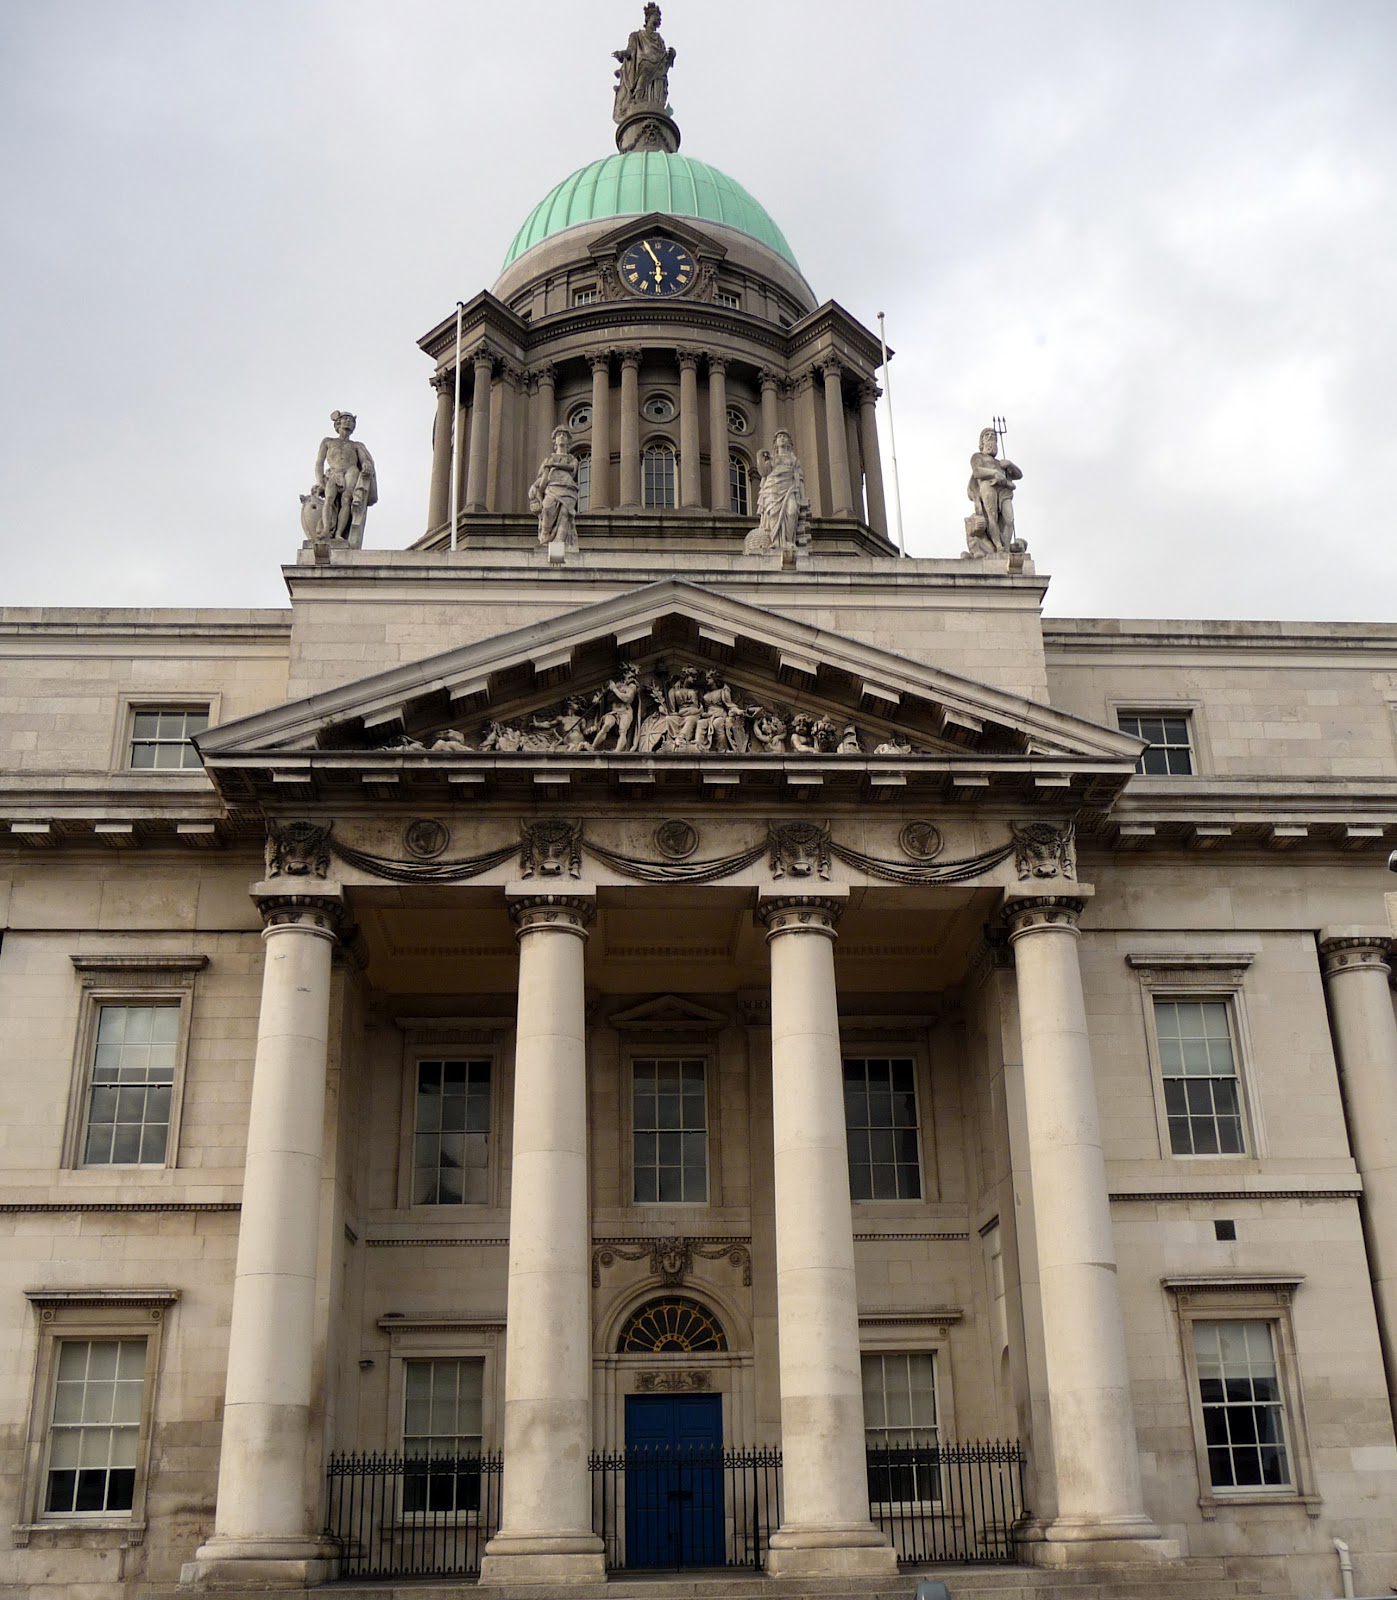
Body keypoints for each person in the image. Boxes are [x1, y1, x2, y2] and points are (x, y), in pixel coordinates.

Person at [313, 411, 377, 544]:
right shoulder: (328, 441)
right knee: (329, 499)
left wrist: (366, 463)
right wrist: (320, 482)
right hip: (334, 472)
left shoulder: (357, 445)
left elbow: (365, 460)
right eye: (345, 419)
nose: (348, 421)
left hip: (351, 471)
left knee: (346, 500)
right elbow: (319, 463)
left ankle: (339, 534)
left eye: (351, 420)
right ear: (338, 423)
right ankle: (326, 530)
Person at [744, 431, 810, 554]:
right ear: (775, 442)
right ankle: (775, 541)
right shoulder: (771, 458)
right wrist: (760, 456)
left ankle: (788, 541)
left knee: (792, 511)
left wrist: (802, 497)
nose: (782, 438)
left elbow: (799, 478)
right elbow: (763, 472)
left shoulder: (794, 460)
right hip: (772, 489)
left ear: (789, 441)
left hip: (790, 489)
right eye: (779, 437)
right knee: (773, 514)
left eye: (784, 436)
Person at [613, 4, 675, 122]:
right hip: (643, 65)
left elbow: (664, 59)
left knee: (658, 82)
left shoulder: (659, 39)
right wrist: (621, 54)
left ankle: (655, 105)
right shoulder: (637, 36)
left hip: (658, 67)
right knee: (644, 67)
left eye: (659, 17)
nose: (659, 19)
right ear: (648, 17)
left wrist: (671, 56)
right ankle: (637, 98)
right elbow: (630, 51)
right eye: (656, 16)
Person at [965, 427, 1022, 553]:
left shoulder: (1000, 462)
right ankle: (999, 547)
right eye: (987, 435)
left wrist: (1010, 465)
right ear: (982, 442)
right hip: (987, 486)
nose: (991, 437)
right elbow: (977, 471)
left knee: (1009, 519)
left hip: (1003, 490)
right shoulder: (977, 457)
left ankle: (1006, 547)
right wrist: (994, 473)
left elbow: (1019, 475)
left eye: (993, 436)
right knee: (992, 517)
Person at [528, 427, 580, 549]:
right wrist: (534, 486)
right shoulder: (548, 460)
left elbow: (572, 468)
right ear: (554, 441)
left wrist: (554, 465)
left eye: (564, 435)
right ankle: (545, 539)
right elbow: (543, 477)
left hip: (568, 490)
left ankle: (559, 543)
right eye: (559, 435)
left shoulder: (571, 459)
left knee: (565, 514)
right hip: (552, 489)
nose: (561, 437)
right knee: (547, 509)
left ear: (568, 442)